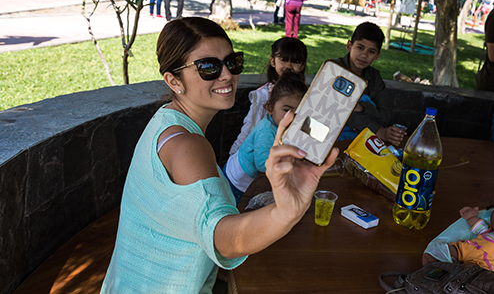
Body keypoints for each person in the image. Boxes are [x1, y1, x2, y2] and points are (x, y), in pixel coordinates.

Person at [100, 17, 338, 293]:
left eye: (232, 62)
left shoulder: (166, 121)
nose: (227, 75)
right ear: (173, 80)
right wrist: (286, 211)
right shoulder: (186, 145)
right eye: (209, 67)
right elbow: (223, 237)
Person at [225, 72, 308, 204]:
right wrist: (290, 166)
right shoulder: (266, 130)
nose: (291, 118)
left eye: (299, 113)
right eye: (287, 110)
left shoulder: (286, 128)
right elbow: (262, 164)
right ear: (270, 108)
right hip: (238, 181)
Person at [229, 37, 308, 156]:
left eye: (295, 62)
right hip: (262, 154)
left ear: (302, 66)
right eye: (284, 60)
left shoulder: (307, 93)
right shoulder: (263, 94)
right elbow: (250, 126)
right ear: (273, 62)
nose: (289, 66)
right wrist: (235, 153)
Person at [332, 22, 406, 146]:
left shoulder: (374, 77)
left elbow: (385, 116)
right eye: (360, 47)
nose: (364, 55)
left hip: (363, 138)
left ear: (377, 55)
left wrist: (362, 107)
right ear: (349, 46)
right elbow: (340, 113)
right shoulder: (334, 71)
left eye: (371, 51)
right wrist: (378, 130)